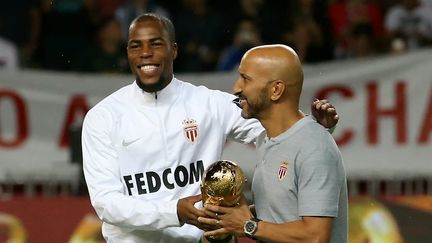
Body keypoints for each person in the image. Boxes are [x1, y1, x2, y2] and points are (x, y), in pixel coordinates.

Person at [81, 14, 339, 242]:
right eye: (136, 46)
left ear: (174, 50)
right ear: (128, 53)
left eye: (155, 44)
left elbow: (276, 126)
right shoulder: (103, 117)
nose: (145, 53)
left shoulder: (209, 103)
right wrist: (174, 212)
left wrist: (313, 128)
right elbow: (106, 203)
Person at [198, 45, 347, 242]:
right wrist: (228, 217)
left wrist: (247, 225)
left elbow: (316, 236)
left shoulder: (315, 146)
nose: (236, 88)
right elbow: (281, 213)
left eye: (246, 79)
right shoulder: (267, 139)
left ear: (276, 90)